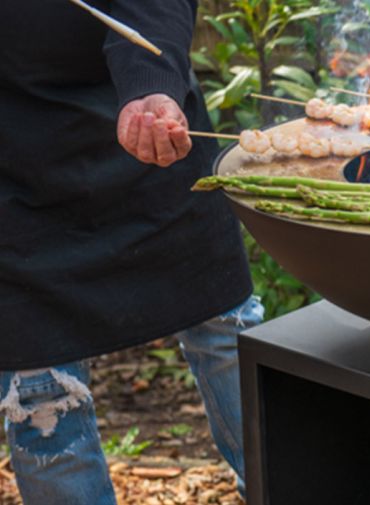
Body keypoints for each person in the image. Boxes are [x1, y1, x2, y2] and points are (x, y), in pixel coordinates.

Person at [0, 1, 260, 503]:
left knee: (230, 338)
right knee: (42, 401)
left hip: (153, 133)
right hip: (15, 177)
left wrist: (152, 83)